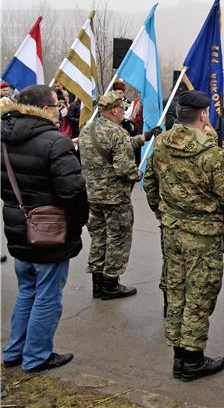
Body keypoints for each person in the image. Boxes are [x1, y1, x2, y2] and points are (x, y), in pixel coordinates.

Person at [143, 90, 224, 382]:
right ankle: (193, 360)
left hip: (172, 231)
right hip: (202, 236)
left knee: (176, 292)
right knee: (200, 295)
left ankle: (179, 358)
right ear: (202, 115)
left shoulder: (161, 143)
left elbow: (149, 183)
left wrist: (163, 213)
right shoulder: (210, 153)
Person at [1, 84, 89, 371]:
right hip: (49, 228)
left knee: (27, 289)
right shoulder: (55, 141)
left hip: (17, 224)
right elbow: (73, 193)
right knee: (47, 295)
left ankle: (14, 351)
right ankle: (37, 355)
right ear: (44, 109)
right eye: (56, 105)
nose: (60, 110)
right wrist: (75, 227)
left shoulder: (4, 138)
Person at [79, 93, 159, 300]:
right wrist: (141, 175)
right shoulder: (117, 132)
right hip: (115, 198)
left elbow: (113, 148)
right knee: (117, 238)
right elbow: (124, 168)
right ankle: (111, 285)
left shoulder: (88, 129)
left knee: (99, 238)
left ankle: (97, 284)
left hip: (93, 195)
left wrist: (144, 137)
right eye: (122, 109)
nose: (124, 112)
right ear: (114, 110)